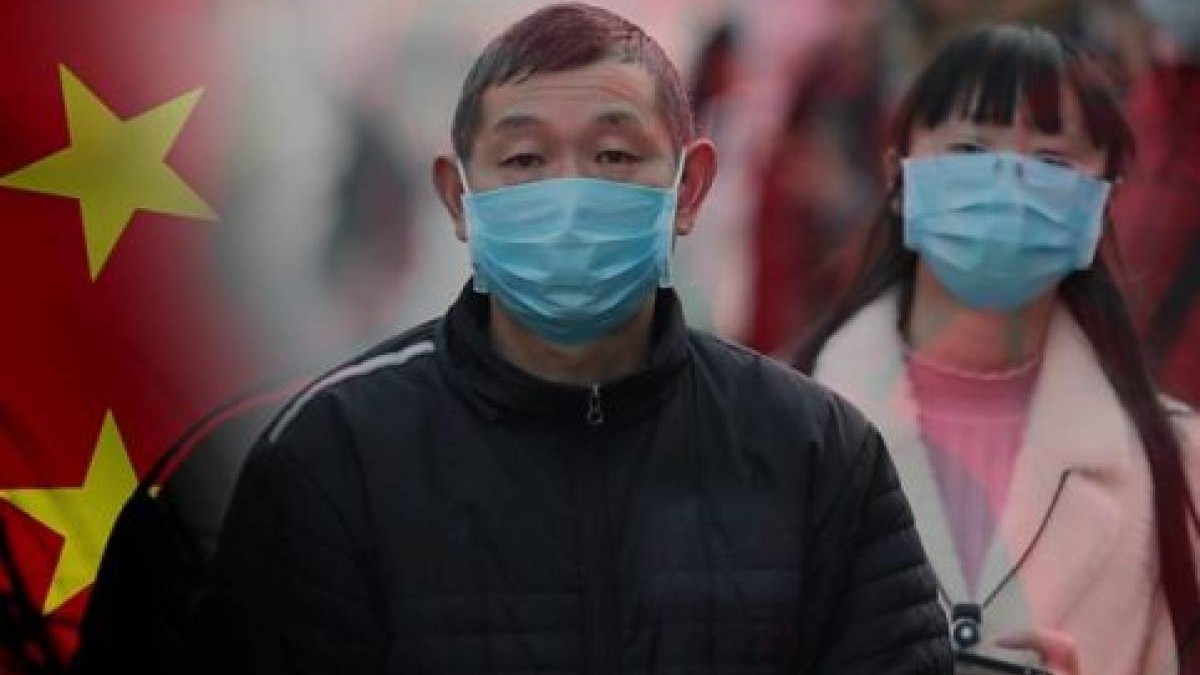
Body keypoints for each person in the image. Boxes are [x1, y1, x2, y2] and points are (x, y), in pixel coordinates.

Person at [189, 4, 951, 674]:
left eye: (614, 156)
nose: (568, 195)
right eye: (524, 160)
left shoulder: (814, 453)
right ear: (458, 197)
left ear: (688, 189)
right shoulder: (336, 456)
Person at [794, 24, 1200, 675]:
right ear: (899, 171)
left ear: (1103, 200)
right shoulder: (777, 426)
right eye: (969, 149)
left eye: (1052, 162)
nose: (1009, 182)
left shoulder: (1176, 461)